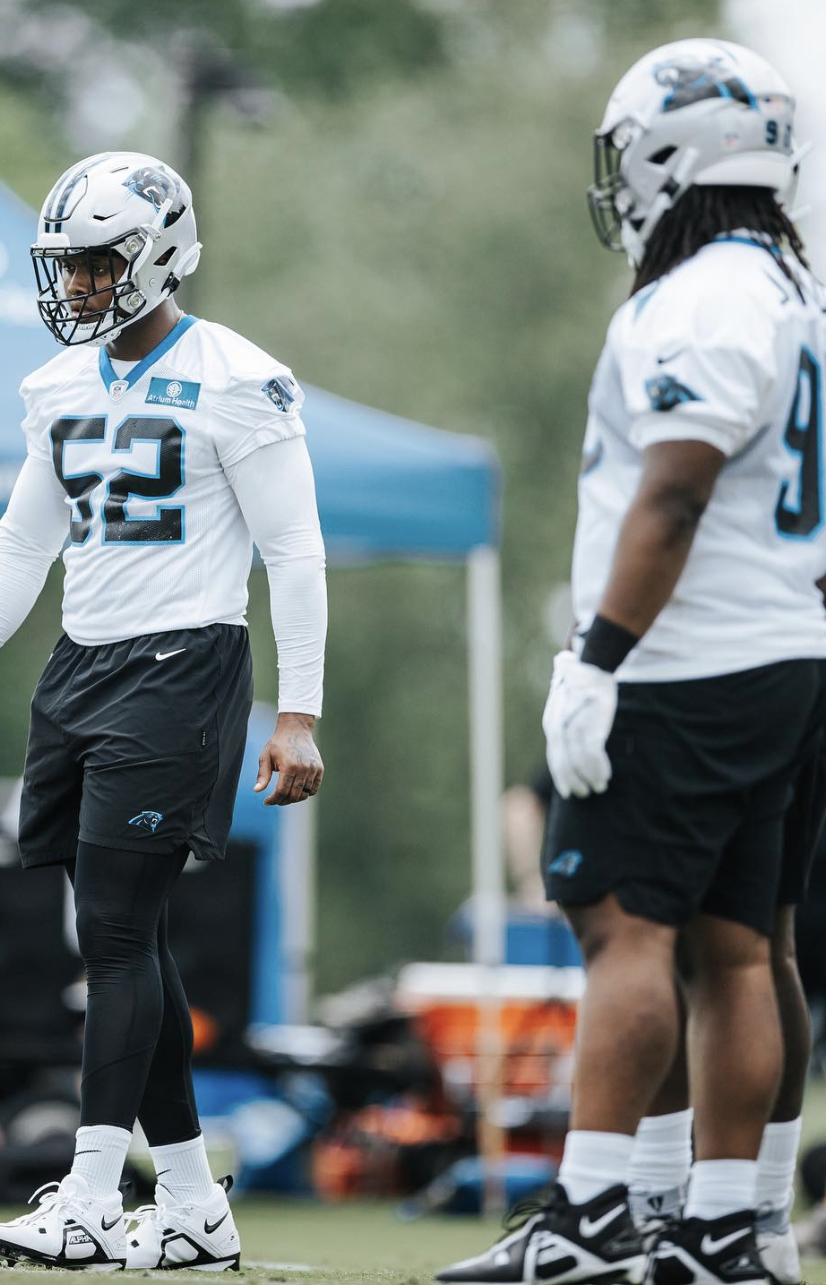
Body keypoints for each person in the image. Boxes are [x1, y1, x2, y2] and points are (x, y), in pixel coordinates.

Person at [439, 39, 826, 1285]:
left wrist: (598, 656)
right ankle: (723, 1222)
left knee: (625, 930)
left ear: (677, 150)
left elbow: (672, 494)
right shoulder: (789, 290)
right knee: (743, 944)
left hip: (689, 657)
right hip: (782, 646)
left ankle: (596, 1215)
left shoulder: (707, 293)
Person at [0, 151, 327, 1270]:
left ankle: (96, 1193)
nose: (81, 288)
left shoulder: (241, 377)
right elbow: (22, 537)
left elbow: (294, 549)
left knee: (110, 933)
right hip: (81, 666)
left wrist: (300, 711)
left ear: (159, 255)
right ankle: (191, 1202)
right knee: (118, 932)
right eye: (71, 267)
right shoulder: (57, 388)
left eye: (99, 265)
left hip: (185, 661)